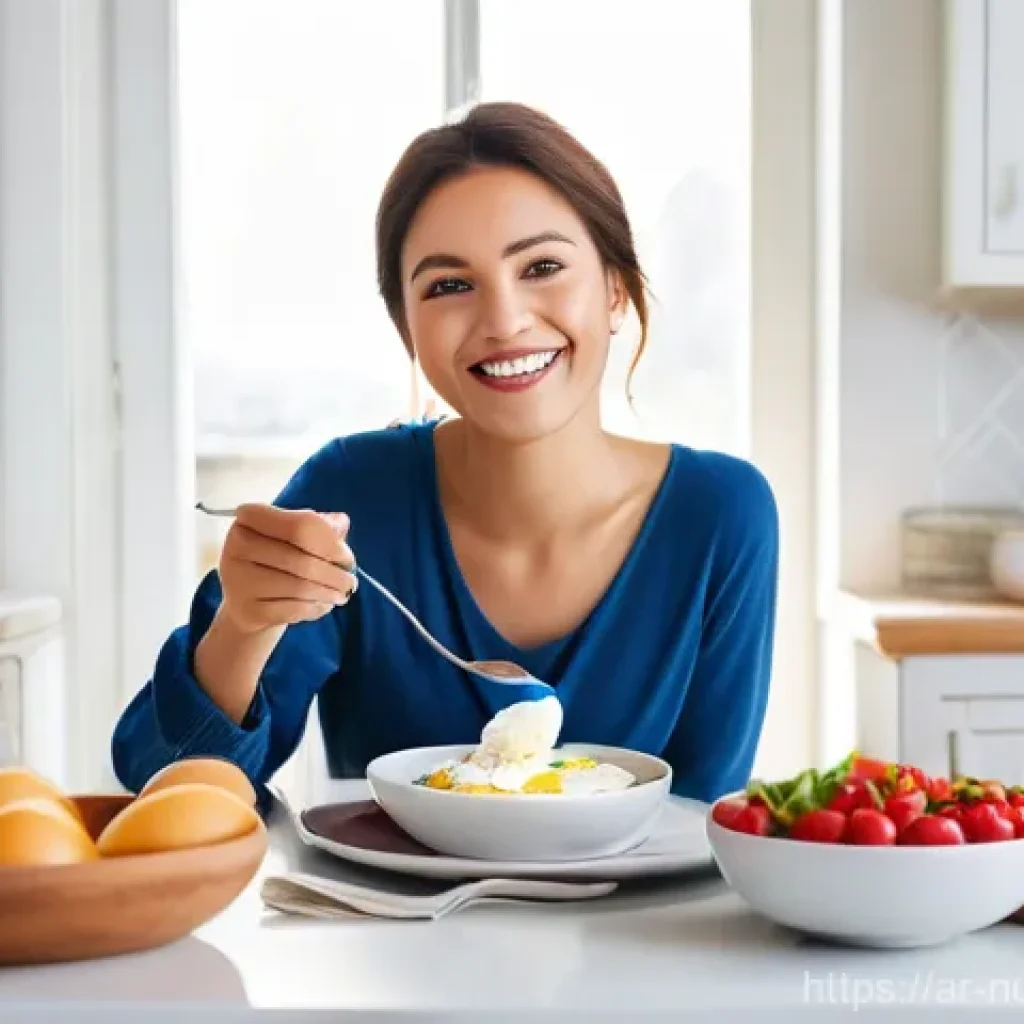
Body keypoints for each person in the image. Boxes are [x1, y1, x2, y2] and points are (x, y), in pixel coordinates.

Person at [111, 102, 779, 811]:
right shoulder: (351, 497)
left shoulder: (720, 517)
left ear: (616, 289)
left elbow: (702, 819)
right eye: (449, 286)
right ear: (407, 329)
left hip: (632, 925)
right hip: (389, 925)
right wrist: (242, 627)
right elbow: (160, 780)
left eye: (543, 265)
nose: (504, 320)